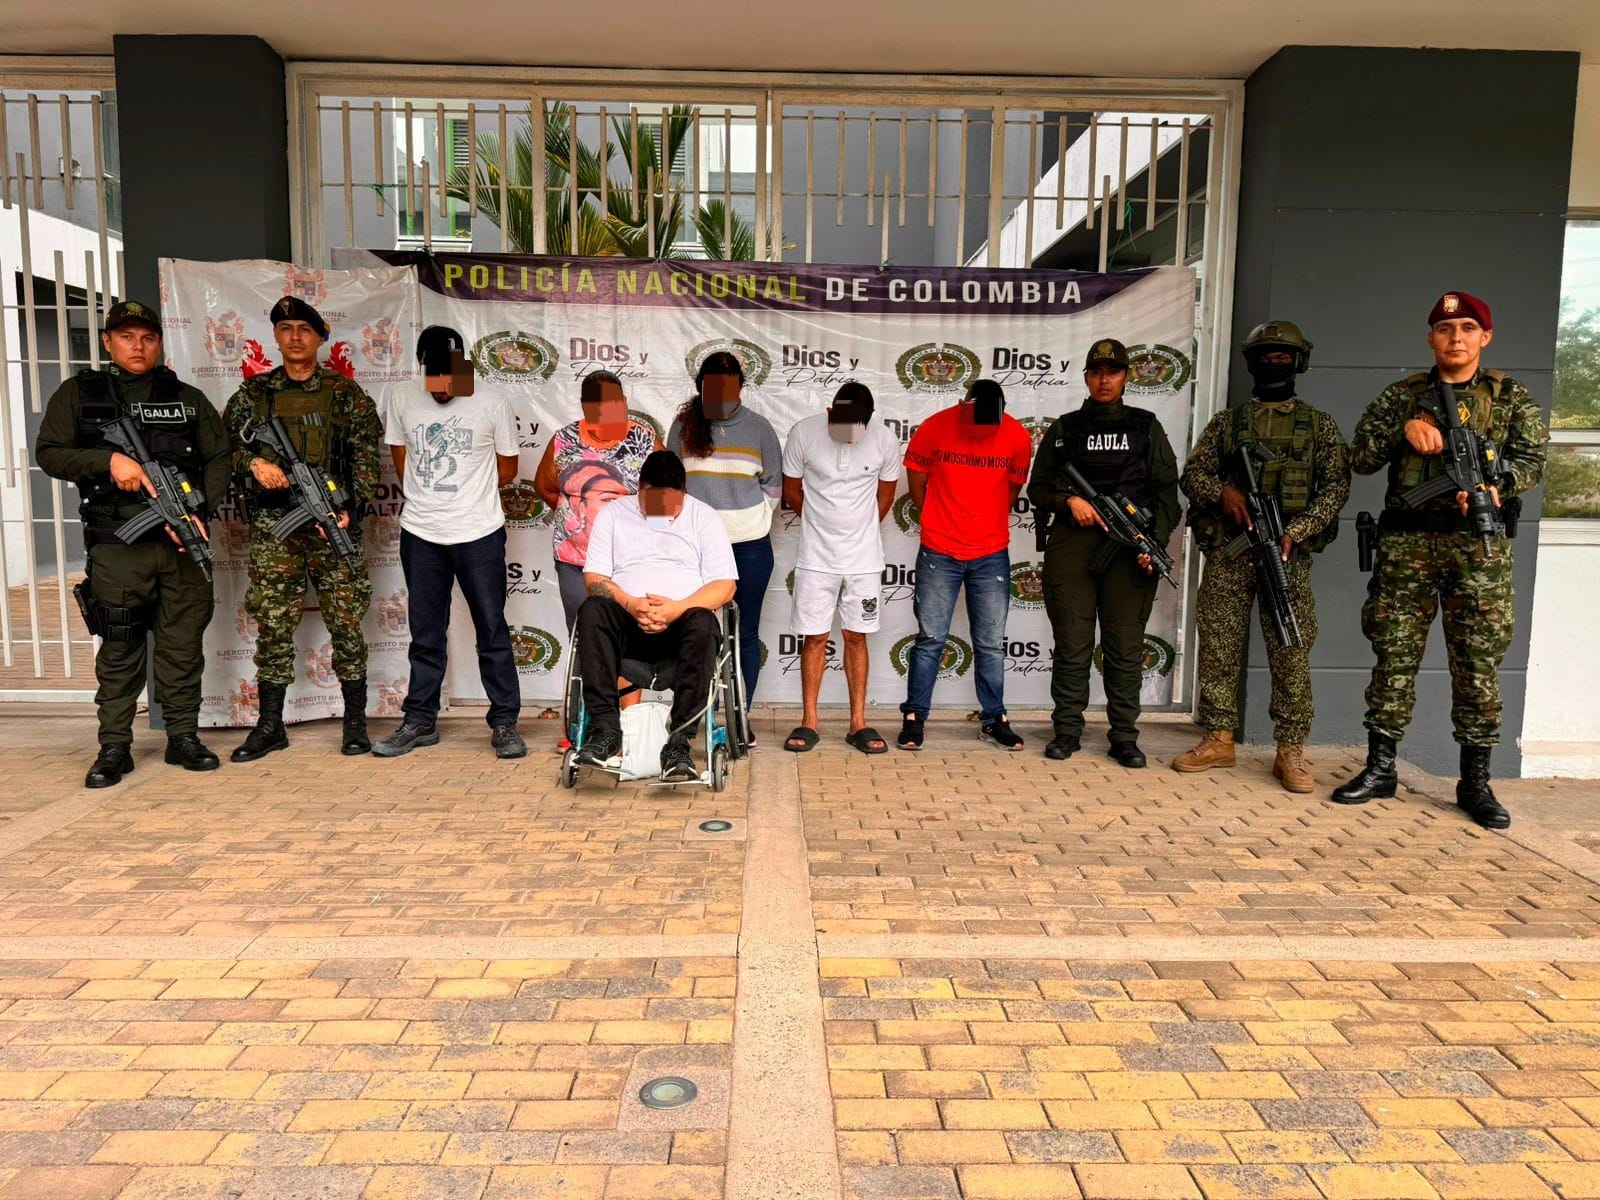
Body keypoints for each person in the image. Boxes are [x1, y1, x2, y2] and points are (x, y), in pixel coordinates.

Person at [1334, 291, 1547, 828]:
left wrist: (1497, 486)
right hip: (1407, 546)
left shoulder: (1510, 396)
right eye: (1446, 329)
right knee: (1393, 656)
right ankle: (1381, 768)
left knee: (1478, 665)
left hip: (1477, 548)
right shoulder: (1403, 395)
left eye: (1468, 328)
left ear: (1485, 337)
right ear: (1431, 337)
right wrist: (1402, 430)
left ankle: (1475, 783)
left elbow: (1531, 460)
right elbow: (1358, 457)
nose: (1456, 338)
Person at [35, 300, 230, 787]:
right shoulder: (78, 394)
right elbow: (50, 452)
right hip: (118, 547)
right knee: (120, 646)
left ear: (159, 342)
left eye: (147, 337)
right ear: (108, 342)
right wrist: (108, 462)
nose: (137, 346)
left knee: (182, 644)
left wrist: (197, 511)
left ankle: (183, 736)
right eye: (126, 337)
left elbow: (220, 457)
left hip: (180, 545)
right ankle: (114, 746)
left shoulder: (186, 398)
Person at [1174, 320, 1349, 791]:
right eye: (1266, 356)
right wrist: (1223, 492)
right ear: (1252, 363)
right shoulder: (1227, 423)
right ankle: (1219, 737)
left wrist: (1297, 530)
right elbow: (1193, 473)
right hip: (1231, 553)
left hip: (1286, 554)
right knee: (1218, 643)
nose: (1274, 363)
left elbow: (1336, 488)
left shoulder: (1319, 425)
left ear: (1298, 362)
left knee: (1291, 645)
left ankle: (1290, 748)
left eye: (1283, 356)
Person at [223, 297, 383, 762]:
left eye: (304, 330)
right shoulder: (254, 395)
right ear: (276, 336)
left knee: (346, 622)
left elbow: (366, 457)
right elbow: (223, 448)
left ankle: (355, 723)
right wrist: (253, 463)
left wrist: (349, 507)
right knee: (274, 625)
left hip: (334, 522)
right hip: (276, 526)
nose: (295, 337)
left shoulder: (346, 394)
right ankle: (270, 725)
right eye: (286, 328)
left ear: (319, 339)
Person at [373, 325, 527, 760]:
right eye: (434, 375)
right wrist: (432, 498)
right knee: (425, 634)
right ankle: (419, 721)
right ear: (420, 365)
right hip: (421, 533)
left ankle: (504, 723)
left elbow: (508, 469)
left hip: (478, 533)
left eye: (451, 375)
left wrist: (467, 497)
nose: (442, 386)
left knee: (491, 629)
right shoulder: (402, 397)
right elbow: (401, 461)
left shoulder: (492, 401)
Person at [1026, 340, 1180, 767]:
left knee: (1125, 649)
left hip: (1129, 550)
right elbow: (1038, 488)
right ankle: (1067, 731)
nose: (1104, 380)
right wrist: (1067, 502)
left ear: (1126, 377)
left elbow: (1167, 495)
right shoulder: (1065, 429)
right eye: (1096, 372)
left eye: (1113, 372)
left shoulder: (1146, 427)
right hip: (1074, 547)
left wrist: (1153, 544)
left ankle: (1125, 737)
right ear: (1086, 378)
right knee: (1072, 646)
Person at [575, 450, 738, 781]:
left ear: (684, 492)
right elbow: (594, 579)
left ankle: (678, 743)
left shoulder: (704, 517)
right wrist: (631, 604)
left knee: (705, 622)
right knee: (592, 609)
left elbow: (725, 585)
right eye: (653, 503)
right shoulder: (613, 515)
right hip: (628, 624)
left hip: (681, 626)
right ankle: (606, 731)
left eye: (671, 504)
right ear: (639, 489)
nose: (663, 512)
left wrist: (677, 608)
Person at [897, 378, 1034, 752]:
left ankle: (994, 719)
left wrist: (984, 522)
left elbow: (1011, 490)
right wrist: (937, 521)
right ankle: (914, 718)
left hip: (991, 553)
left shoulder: (1017, 437)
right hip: (939, 550)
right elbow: (917, 482)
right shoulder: (935, 427)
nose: (982, 430)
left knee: (990, 644)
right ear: (963, 406)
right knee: (930, 640)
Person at [779, 382, 901, 754]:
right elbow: (792, 491)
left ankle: (858, 723)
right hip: (816, 558)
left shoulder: (884, 439)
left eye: (856, 429)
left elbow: (885, 496)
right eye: (841, 426)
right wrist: (822, 525)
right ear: (830, 412)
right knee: (815, 638)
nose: (848, 436)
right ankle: (809, 721)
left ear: (869, 420)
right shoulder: (804, 433)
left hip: (863, 560)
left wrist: (858, 530)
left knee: (856, 637)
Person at [668, 351, 781, 732]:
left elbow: (774, 487)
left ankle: (738, 720)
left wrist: (748, 521)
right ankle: (696, 716)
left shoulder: (760, 429)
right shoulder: (683, 426)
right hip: (695, 549)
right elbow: (671, 484)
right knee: (695, 632)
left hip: (749, 547)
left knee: (744, 633)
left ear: (741, 388)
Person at [533, 370, 658, 631]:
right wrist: (579, 518)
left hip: (629, 560)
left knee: (628, 632)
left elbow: (664, 496)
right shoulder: (564, 440)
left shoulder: (644, 441)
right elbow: (545, 487)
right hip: (575, 562)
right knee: (583, 630)